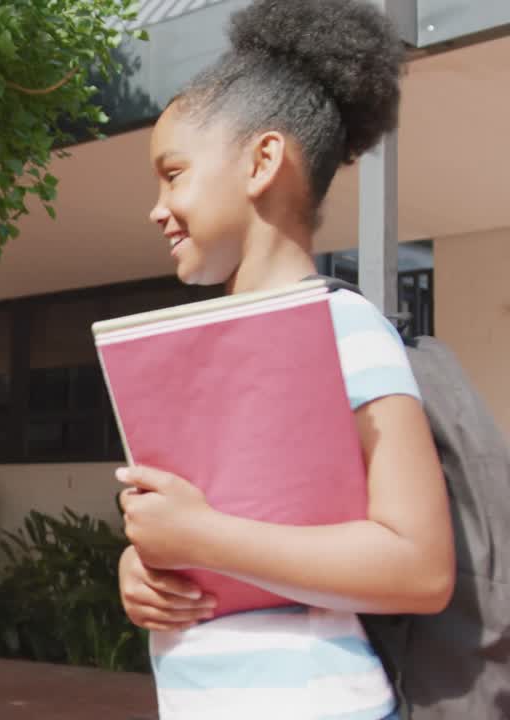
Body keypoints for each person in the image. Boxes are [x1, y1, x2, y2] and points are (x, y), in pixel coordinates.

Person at [115, 1, 455, 718]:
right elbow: (232, 528)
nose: (157, 208)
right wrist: (146, 569)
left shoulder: (349, 329)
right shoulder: (196, 347)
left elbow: (420, 567)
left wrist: (202, 535)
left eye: (173, 173)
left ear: (262, 161)